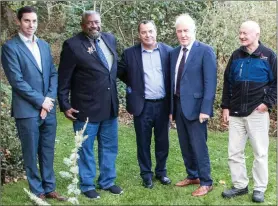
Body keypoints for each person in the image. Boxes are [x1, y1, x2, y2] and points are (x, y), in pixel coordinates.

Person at [1, 6, 66, 201]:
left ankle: (50, 187)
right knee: (30, 153)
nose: (31, 25)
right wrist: (41, 102)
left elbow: (53, 74)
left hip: (48, 108)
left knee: (47, 150)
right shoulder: (10, 48)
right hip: (27, 110)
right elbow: (16, 81)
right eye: (27, 21)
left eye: (34, 21)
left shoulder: (44, 45)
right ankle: (37, 191)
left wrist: (49, 100)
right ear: (19, 22)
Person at [58, 11, 122, 199]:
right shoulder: (72, 45)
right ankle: (87, 184)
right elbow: (64, 78)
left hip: (110, 105)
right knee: (85, 148)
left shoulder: (109, 39)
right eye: (90, 23)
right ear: (82, 25)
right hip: (85, 107)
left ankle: (107, 181)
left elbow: (112, 70)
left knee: (109, 146)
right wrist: (64, 103)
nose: (94, 26)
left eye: (97, 22)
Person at [221, 20, 277, 203]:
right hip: (236, 112)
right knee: (234, 152)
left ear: (257, 34)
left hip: (257, 113)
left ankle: (259, 188)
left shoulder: (269, 56)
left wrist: (266, 104)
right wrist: (226, 107)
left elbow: (276, 83)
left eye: (245, 33)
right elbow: (227, 81)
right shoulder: (236, 56)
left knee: (260, 152)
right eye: (240, 33)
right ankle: (240, 186)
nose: (241, 36)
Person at [118, 20, 172, 189]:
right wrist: (134, 84)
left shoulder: (168, 51)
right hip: (142, 105)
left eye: (150, 31)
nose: (148, 35)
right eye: (144, 32)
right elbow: (120, 73)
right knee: (143, 142)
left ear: (156, 32)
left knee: (163, 141)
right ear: (139, 34)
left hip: (163, 104)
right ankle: (146, 175)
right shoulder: (129, 54)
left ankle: (161, 172)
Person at [170, 14, 217, 196]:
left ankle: (206, 181)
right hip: (179, 105)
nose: (183, 34)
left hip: (198, 108)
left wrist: (206, 109)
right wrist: (171, 110)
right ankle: (192, 175)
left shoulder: (205, 51)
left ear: (193, 31)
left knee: (199, 145)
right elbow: (172, 82)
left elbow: (210, 82)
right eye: (180, 31)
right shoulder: (174, 53)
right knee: (184, 144)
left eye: (186, 30)